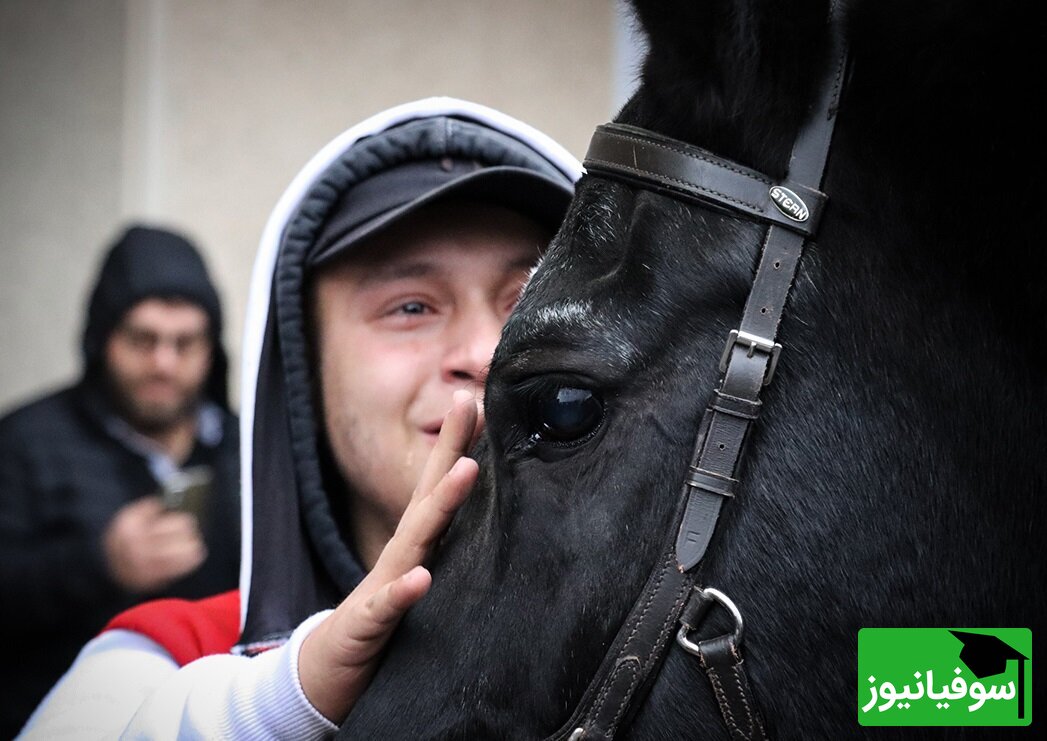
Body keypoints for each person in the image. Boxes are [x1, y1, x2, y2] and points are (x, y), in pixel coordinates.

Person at [20, 97, 580, 738]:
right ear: (303, 382)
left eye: (529, 299)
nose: (485, 354)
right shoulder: (160, 657)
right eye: (411, 307)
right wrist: (285, 699)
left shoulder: (684, 642)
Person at [0, 225, 242, 737]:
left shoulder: (247, 447)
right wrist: (98, 563)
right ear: (103, 337)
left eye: (185, 342)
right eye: (142, 339)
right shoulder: (25, 442)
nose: (164, 363)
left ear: (211, 348)